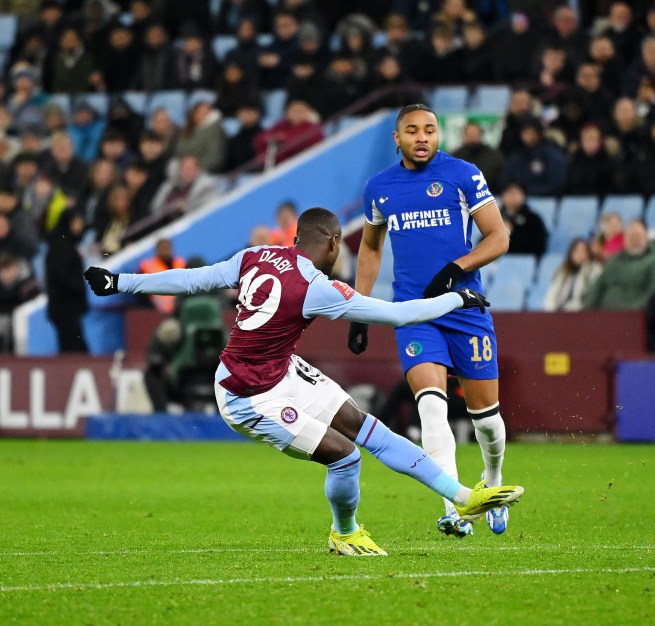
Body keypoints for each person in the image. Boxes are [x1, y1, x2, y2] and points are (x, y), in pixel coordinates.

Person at [83, 207, 523, 557]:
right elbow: (395, 315)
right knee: (346, 456)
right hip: (247, 396)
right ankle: (344, 533)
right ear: (334, 242)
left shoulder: (253, 256)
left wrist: (120, 280)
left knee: (369, 428)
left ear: (294, 239)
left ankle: (462, 497)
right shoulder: (319, 286)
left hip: (282, 371)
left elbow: (192, 280)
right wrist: (458, 297)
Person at [350, 104, 512, 539]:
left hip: (463, 308)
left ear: (439, 135)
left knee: (487, 422)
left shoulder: (463, 174)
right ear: (397, 139)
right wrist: (359, 307)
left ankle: (492, 483)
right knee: (431, 410)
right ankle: (455, 507)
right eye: (412, 131)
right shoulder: (379, 188)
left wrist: (455, 268)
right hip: (414, 313)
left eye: (430, 130)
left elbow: (499, 237)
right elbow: (370, 247)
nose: (422, 137)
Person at [583, 218, 655, 311]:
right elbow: (598, 286)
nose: (634, 240)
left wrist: (628, 311)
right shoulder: (615, 260)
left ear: (646, 237)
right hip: (604, 317)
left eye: (638, 236)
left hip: (635, 318)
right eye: (631, 236)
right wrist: (586, 310)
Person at [46, 210, 89, 353]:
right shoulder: (62, 246)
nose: (80, 226)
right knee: (74, 351)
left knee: (72, 348)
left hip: (65, 308)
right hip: (66, 308)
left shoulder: (62, 244)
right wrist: (80, 286)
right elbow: (61, 275)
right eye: (76, 222)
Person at [543, 237, 603, 312]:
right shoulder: (562, 271)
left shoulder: (595, 270)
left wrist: (573, 308)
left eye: (583, 250)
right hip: (560, 313)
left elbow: (591, 297)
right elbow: (551, 295)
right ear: (571, 253)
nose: (579, 254)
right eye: (576, 251)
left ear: (588, 253)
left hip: (582, 313)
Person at [139, 238, 187, 314]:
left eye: (167, 247)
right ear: (156, 250)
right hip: (158, 311)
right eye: (162, 248)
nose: (165, 250)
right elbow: (141, 293)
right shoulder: (147, 266)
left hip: (181, 307)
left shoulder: (181, 263)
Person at [499, 182, 548, 257]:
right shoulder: (495, 218)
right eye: (508, 192)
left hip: (526, 261)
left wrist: (513, 233)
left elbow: (539, 245)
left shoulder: (533, 219)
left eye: (515, 193)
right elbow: (483, 243)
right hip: (497, 262)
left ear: (523, 196)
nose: (511, 197)